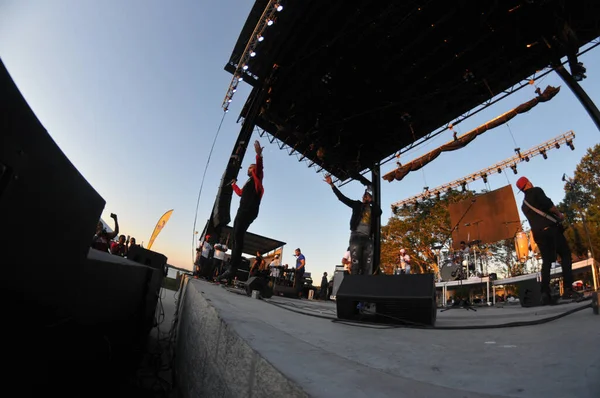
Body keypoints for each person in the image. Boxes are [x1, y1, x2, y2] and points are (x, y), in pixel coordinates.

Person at [516, 176, 579, 304]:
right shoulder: (537, 191)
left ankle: (545, 293)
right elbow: (549, 205)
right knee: (566, 255)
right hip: (551, 229)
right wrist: (559, 215)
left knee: (547, 262)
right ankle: (568, 289)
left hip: (538, 235)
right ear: (528, 183)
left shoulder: (524, 206)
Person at [217, 140, 264, 283]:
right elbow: (240, 193)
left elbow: (260, 169)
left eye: (252, 167)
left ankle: (233, 268)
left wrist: (259, 155)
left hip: (248, 210)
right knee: (236, 236)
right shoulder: (248, 182)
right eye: (250, 167)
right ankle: (232, 268)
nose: (251, 168)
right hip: (241, 210)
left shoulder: (257, 179)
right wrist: (233, 185)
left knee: (238, 234)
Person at [324, 174, 382, 275]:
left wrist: (372, 201)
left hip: (368, 238)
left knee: (368, 265)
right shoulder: (357, 205)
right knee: (356, 264)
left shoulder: (373, 209)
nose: (365, 197)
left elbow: (379, 212)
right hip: (357, 236)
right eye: (364, 196)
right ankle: (355, 283)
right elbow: (342, 198)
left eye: (367, 196)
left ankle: (365, 285)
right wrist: (332, 185)